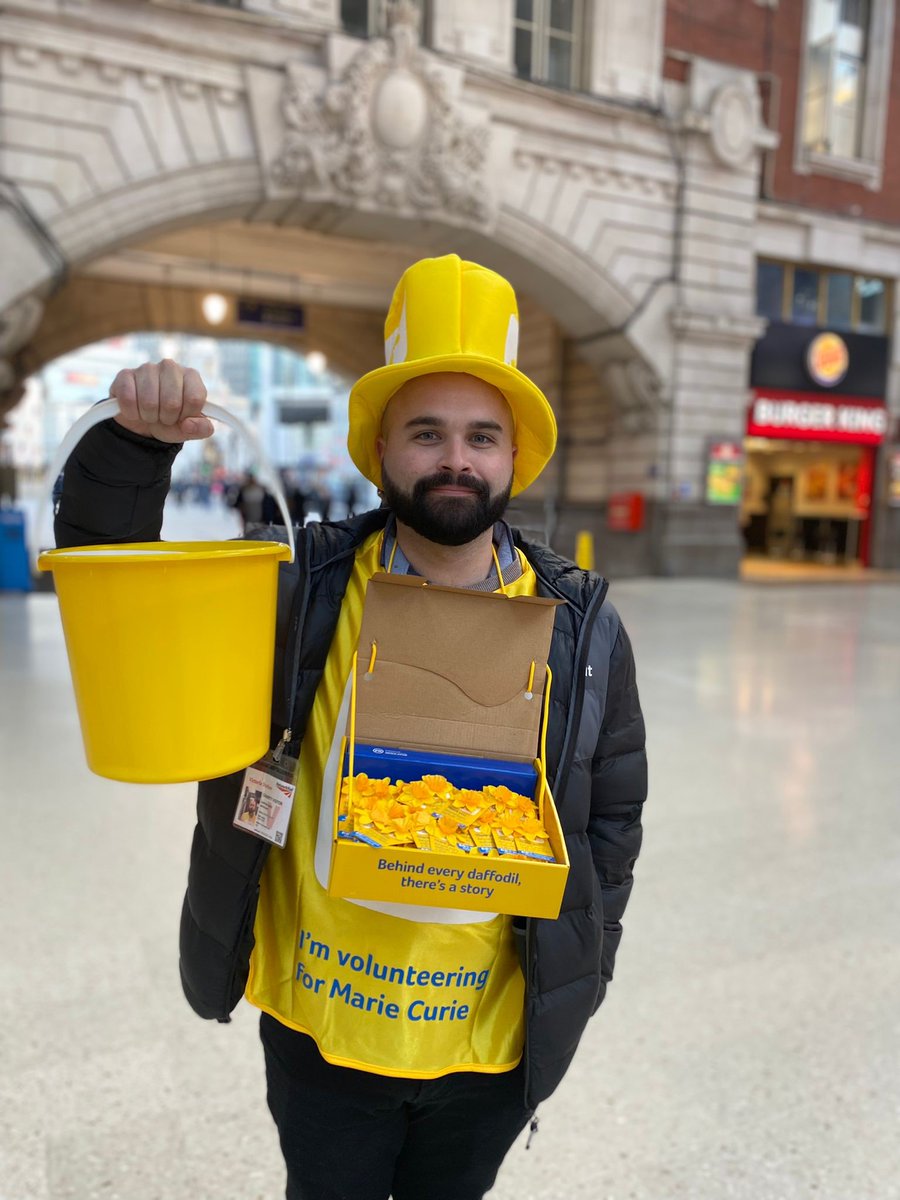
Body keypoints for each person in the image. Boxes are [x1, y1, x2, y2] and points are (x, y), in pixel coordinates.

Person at [54, 254, 647, 1200]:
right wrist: (130, 450)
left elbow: (612, 819)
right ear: (380, 449)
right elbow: (111, 581)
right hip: (322, 1028)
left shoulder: (579, 626)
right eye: (427, 432)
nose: (456, 459)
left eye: (481, 436)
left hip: (485, 1046)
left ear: (513, 456)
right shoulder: (298, 588)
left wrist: (585, 971)